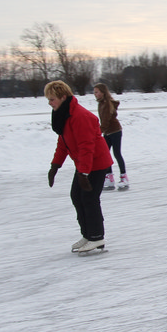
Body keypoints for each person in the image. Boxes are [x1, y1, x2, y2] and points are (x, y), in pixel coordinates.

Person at [45, 80, 113, 253]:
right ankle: (88, 235)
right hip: (85, 164)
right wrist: (55, 166)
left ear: (63, 97)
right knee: (76, 196)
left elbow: (86, 146)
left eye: (52, 99)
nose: (49, 103)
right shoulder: (64, 115)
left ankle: (97, 236)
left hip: (96, 162)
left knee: (89, 199)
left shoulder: (79, 116)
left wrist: (83, 173)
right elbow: (63, 143)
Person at [94, 83, 129, 189]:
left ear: (103, 92)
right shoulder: (101, 103)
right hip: (107, 132)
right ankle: (109, 178)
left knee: (117, 153)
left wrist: (98, 132)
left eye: (97, 92)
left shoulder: (108, 104)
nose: (95, 94)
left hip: (115, 131)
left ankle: (124, 177)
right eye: (94, 92)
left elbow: (106, 121)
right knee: (105, 155)